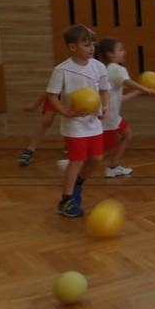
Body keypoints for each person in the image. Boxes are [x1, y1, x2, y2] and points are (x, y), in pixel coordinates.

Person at [46, 24, 111, 218]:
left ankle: (77, 185)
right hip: (74, 125)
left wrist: (105, 106)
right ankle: (66, 200)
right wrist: (64, 113)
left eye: (93, 44)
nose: (92, 48)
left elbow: (104, 90)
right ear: (73, 47)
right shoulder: (62, 70)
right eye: (86, 45)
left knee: (96, 159)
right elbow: (52, 96)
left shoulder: (98, 66)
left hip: (94, 123)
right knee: (77, 161)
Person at [96, 37, 155, 178]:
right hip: (108, 118)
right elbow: (127, 81)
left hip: (111, 115)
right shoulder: (117, 69)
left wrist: (137, 92)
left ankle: (113, 167)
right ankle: (75, 163)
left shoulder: (108, 70)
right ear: (111, 54)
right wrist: (145, 89)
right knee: (105, 151)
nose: (124, 52)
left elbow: (118, 98)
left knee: (127, 135)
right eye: (120, 50)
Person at [17, 91, 59, 166]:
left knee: (73, 120)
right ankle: (30, 150)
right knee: (47, 121)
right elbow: (48, 91)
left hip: (73, 96)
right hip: (56, 96)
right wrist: (35, 105)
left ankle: (69, 146)